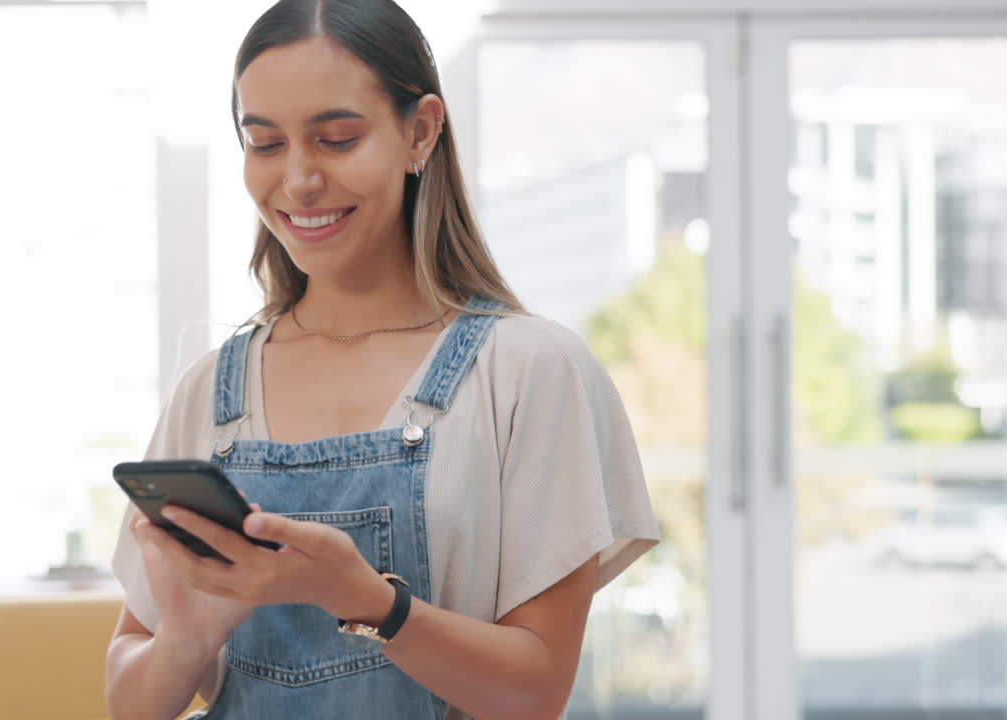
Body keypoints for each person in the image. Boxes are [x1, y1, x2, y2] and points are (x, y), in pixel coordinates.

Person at [105, 1, 660, 718]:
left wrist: (367, 600)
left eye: (336, 139)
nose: (297, 180)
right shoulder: (210, 389)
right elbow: (129, 701)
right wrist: (184, 641)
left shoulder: (527, 371)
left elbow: (535, 693)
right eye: (265, 143)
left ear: (420, 131)